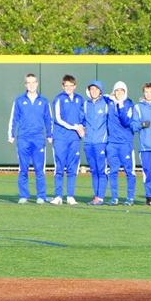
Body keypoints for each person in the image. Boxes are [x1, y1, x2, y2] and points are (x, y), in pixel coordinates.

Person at [7, 73, 53, 204]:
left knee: (39, 169)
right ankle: (24, 195)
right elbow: (13, 118)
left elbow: (48, 119)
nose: (31, 85)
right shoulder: (19, 100)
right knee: (23, 168)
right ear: (25, 85)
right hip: (23, 138)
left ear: (37, 84)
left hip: (38, 139)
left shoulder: (43, 101)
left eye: (34, 82)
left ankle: (41, 196)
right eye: (29, 82)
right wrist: (11, 135)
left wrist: (50, 135)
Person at [50, 74, 85, 205]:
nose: (69, 88)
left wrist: (82, 127)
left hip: (74, 139)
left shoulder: (80, 99)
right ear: (62, 86)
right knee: (59, 167)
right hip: (60, 138)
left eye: (71, 86)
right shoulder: (59, 99)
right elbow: (58, 119)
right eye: (66, 86)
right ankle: (58, 195)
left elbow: (83, 116)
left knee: (72, 168)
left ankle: (70, 196)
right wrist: (74, 127)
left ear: (75, 86)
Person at [107, 81, 137, 206]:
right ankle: (114, 197)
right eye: (117, 90)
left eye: (121, 91)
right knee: (113, 171)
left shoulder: (129, 104)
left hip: (125, 143)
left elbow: (126, 121)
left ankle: (130, 198)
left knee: (129, 171)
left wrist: (121, 106)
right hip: (112, 143)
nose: (119, 93)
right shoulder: (108, 102)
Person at [82, 80, 109, 206]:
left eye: (96, 89)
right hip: (88, 142)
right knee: (93, 170)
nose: (93, 91)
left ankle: (100, 197)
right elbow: (81, 120)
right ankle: (96, 196)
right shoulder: (86, 104)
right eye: (91, 89)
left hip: (101, 142)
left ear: (100, 91)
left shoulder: (106, 103)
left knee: (101, 170)